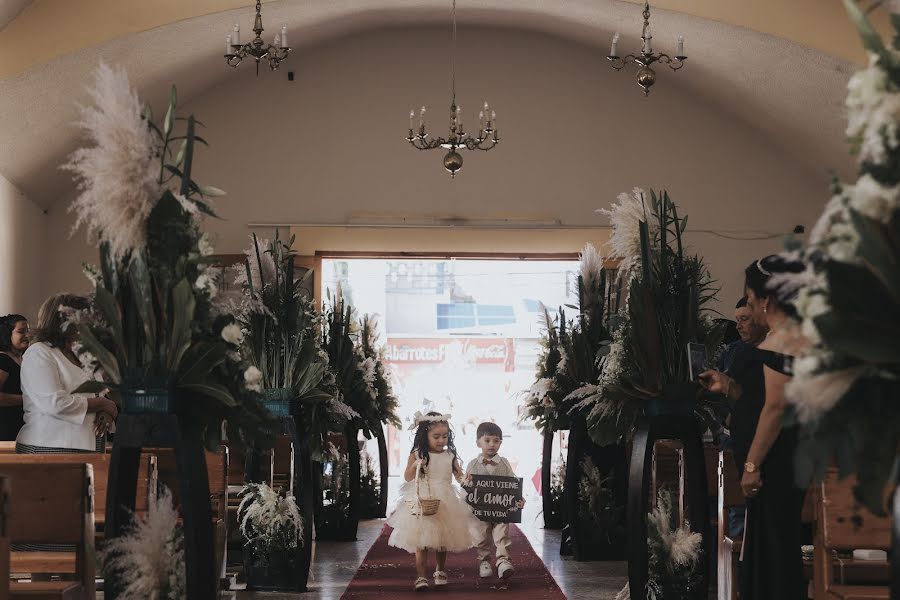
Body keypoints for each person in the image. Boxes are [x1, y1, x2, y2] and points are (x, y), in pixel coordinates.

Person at [700, 255, 807, 600]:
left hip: (774, 467)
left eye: (748, 299)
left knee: (775, 556)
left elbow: (775, 409)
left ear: (766, 300)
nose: (748, 305)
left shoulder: (782, 341)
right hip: (783, 463)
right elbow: (762, 400)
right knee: (773, 550)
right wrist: (732, 389)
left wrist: (750, 465)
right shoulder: (792, 336)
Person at [387, 411, 482, 592]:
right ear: (425, 436)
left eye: (445, 436)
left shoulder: (450, 455)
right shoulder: (418, 453)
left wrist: (466, 480)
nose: (441, 440)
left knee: (442, 538)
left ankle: (440, 570)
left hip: (445, 500)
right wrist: (415, 465)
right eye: (436, 436)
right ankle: (421, 576)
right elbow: (408, 477)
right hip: (423, 497)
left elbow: (459, 475)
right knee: (421, 540)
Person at [16, 294, 117, 454]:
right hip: (49, 445)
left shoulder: (83, 354)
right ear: (63, 319)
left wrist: (107, 412)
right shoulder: (40, 352)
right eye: (82, 316)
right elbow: (55, 403)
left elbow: (99, 393)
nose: (89, 322)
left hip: (90, 444)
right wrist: (103, 404)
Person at [464, 421, 524, 580]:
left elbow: (512, 483)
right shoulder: (472, 464)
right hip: (480, 510)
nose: (492, 444)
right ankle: (483, 560)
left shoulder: (504, 463)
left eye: (496, 441)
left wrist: (519, 498)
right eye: (487, 440)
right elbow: (466, 485)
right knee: (481, 534)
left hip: (501, 509)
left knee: (501, 532)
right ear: (478, 443)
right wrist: (466, 484)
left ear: (500, 443)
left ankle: (503, 561)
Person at [0, 314, 30, 441]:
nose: (27, 335)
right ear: (7, 334)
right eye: (21, 331)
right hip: (5, 426)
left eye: (28, 331)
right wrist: (29, 400)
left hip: (22, 424)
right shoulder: (2, 360)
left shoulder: (25, 359)